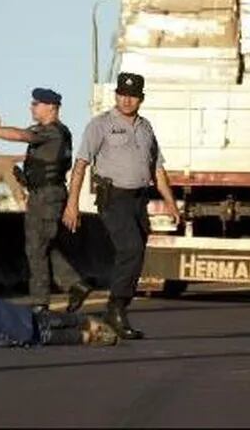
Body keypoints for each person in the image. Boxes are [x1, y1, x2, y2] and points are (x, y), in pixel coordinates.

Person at [63, 72, 180, 340]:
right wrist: (72, 205)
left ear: (141, 99)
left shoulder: (146, 127)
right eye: (122, 95)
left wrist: (171, 203)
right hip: (113, 197)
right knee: (131, 249)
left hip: (139, 199)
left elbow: (157, 168)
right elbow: (80, 165)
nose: (127, 100)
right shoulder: (100, 125)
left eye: (133, 96)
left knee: (134, 256)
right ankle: (115, 310)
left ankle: (92, 286)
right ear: (116, 95)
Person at [0, 89, 91, 314]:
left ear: (51, 107)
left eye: (37, 104)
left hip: (47, 196)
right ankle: (74, 284)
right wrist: (26, 178)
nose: (32, 107)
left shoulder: (52, 131)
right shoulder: (51, 132)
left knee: (36, 248)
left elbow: (20, 135)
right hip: (43, 193)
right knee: (44, 244)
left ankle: (40, 303)